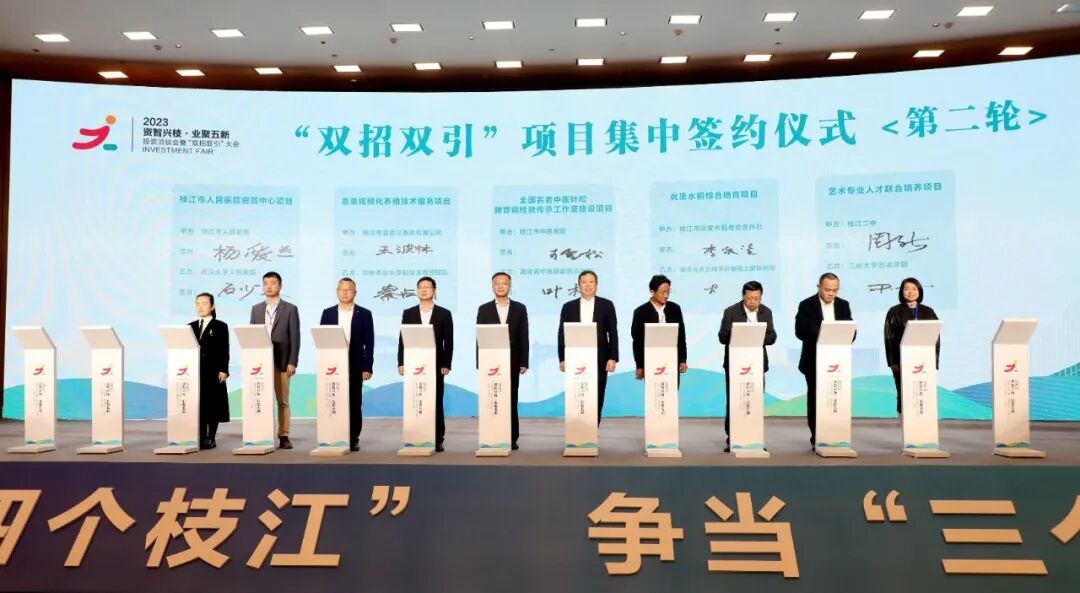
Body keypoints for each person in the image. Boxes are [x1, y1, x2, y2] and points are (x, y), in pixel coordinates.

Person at [795, 272, 854, 448]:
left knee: (835, 397)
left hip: (837, 361)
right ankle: (817, 436)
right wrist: (824, 333)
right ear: (819, 287)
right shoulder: (806, 305)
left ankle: (836, 434)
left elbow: (851, 331)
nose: (831, 294)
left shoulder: (843, 305)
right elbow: (800, 331)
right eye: (828, 290)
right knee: (816, 398)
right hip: (813, 360)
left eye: (835, 290)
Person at [718, 281, 777, 451]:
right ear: (743, 296)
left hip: (757, 364)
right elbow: (722, 337)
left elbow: (772, 336)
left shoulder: (766, 312)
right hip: (735, 364)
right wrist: (739, 334)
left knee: (755, 400)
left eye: (756, 298)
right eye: (750, 298)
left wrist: (756, 335)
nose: (753, 301)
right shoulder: (730, 311)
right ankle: (733, 438)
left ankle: (755, 438)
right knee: (735, 401)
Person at [397, 276, 454, 452]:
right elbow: (403, 339)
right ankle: (416, 436)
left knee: (435, 399)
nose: (423, 290)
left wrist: (446, 363)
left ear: (434, 291)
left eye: (428, 287)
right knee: (416, 398)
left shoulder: (444, 313)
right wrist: (401, 362)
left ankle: (437, 438)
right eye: (420, 287)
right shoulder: (408, 313)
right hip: (414, 364)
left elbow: (448, 342)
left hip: (435, 364)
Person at [476, 272, 529, 450]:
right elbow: (479, 337)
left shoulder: (520, 308)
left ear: (510, 286)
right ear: (492, 286)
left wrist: (524, 361)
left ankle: (511, 437)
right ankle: (492, 434)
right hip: (490, 362)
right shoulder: (484, 309)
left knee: (511, 398)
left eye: (504, 283)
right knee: (493, 397)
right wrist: (480, 362)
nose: (500, 286)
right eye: (496, 283)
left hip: (512, 360)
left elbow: (524, 335)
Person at [320, 277, 374, 452]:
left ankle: (353, 438)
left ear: (355, 292)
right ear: (337, 292)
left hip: (355, 364)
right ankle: (334, 436)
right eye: (341, 289)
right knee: (334, 400)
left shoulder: (364, 314)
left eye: (348, 289)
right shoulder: (327, 313)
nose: (344, 292)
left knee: (354, 402)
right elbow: (323, 340)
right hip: (332, 365)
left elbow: (369, 343)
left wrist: (367, 367)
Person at [558, 270, 618, 422]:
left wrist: (613, 357)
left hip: (600, 358)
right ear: (578, 285)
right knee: (577, 394)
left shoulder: (607, 305)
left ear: (596, 285)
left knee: (597, 394)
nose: (588, 285)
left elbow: (613, 333)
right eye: (584, 282)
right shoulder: (568, 307)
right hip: (575, 358)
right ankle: (577, 428)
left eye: (591, 282)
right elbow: (562, 334)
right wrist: (562, 359)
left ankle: (592, 428)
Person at [249, 271, 300, 450]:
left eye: (272, 283)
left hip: (282, 361)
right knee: (260, 399)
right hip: (261, 364)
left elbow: (295, 337)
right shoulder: (256, 309)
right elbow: (251, 336)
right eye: (265, 283)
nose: (269, 286)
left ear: (280, 286)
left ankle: (284, 435)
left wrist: (292, 361)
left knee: (282, 401)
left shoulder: (290, 309)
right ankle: (261, 434)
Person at [884, 277, 940, 415]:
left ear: (919, 291)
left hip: (924, 360)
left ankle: (922, 420)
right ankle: (904, 422)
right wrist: (892, 361)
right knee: (903, 392)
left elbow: (936, 337)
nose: (910, 292)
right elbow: (889, 337)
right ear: (901, 292)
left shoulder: (929, 311)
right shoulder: (894, 311)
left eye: (914, 289)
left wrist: (934, 360)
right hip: (901, 360)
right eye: (907, 289)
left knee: (923, 392)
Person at [190, 292, 229, 450]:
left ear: (212, 306)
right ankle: (200, 437)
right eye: (198, 304)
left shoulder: (220, 326)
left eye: (205, 303)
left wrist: (223, 369)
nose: (201, 307)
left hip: (213, 372)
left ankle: (210, 437)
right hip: (195, 372)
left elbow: (224, 350)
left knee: (213, 405)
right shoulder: (190, 326)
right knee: (199, 405)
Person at [631, 274, 688, 381]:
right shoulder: (640, 312)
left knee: (672, 389)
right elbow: (637, 342)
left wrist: (682, 360)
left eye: (668, 292)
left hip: (672, 361)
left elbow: (681, 337)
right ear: (652, 292)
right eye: (662, 292)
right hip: (650, 362)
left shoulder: (675, 309)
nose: (666, 295)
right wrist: (639, 365)